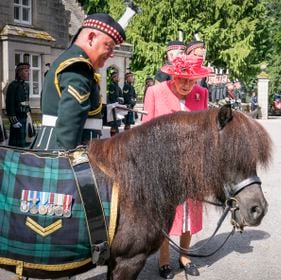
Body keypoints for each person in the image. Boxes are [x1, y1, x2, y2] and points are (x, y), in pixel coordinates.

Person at [142, 55, 210, 279]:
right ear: (173, 74)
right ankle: (163, 258)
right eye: (182, 80)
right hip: (164, 165)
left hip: (193, 165)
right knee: (166, 214)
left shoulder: (202, 94)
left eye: (192, 81)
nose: (187, 86)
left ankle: (184, 255)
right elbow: (145, 132)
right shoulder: (155, 92)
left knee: (190, 214)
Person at [33, 13, 129, 150]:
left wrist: (108, 111)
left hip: (56, 146)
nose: (112, 53)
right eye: (109, 46)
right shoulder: (79, 67)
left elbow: (79, 110)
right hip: (64, 151)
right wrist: (66, 161)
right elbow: (70, 122)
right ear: (91, 38)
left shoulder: (73, 62)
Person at [5, 62, 35, 147]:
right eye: (26, 71)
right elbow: (9, 104)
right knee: (16, 144)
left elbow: (27, 102)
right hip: (17, 117)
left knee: (26, 142)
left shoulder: (26, 85)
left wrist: (29, 116)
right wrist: (13, 120)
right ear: (19, 72)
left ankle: (23, 157)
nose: (28, 73)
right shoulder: (13, 85)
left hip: (25, 116)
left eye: (28, 70)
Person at [107, 71, 124, 135]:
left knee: (116, 124)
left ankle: (115, 138)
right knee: (113, 125)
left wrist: (121, 100)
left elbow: (121, 95)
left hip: (117, 106)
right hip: (113, 107)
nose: (118, 78)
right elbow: (112, 97)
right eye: (117, 76)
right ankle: (113, 138)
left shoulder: (118, 86)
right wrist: (118, 100)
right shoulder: (112, 86)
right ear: (113, 78)